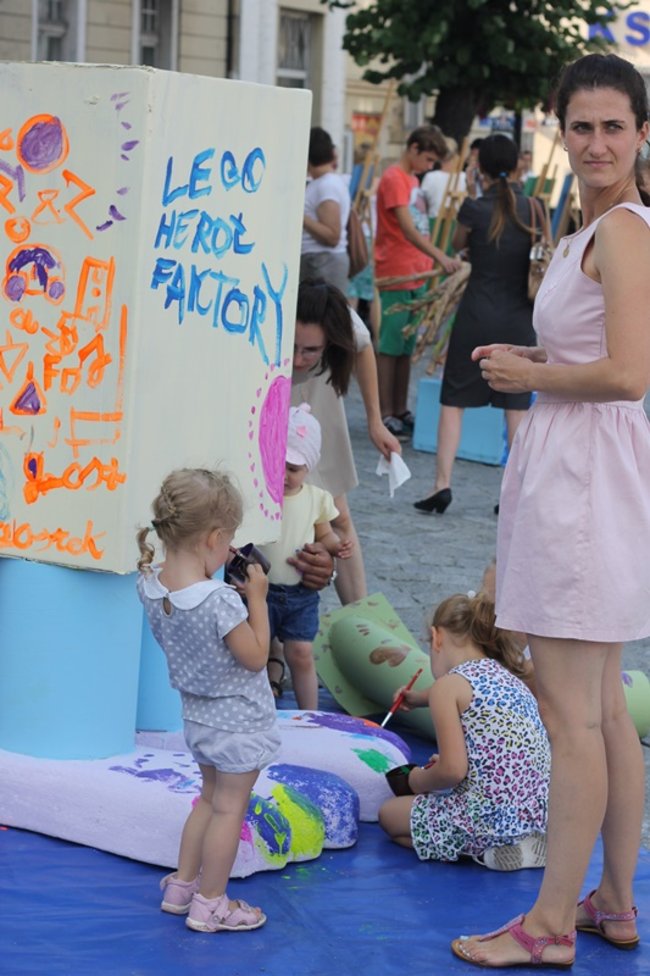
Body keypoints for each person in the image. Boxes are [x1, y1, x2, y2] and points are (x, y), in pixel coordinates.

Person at [452, 52, 650, 968]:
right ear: (560, 132)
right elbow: (595, 356)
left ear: (642, 133)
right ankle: (611, 898)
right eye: (583, 126)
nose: (598, 142)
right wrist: (529, 352)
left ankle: (546, 928)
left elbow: (629, 374)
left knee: (574, 716)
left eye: (615, 125)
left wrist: (534, 374)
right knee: (603, 711)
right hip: (583, 474)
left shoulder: (623, 231)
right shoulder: (594, 228)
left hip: (582, 483)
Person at [136, 468, 280, 934]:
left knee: (208, 800)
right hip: (238, 721)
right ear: (214, 538)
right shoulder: (220, 601)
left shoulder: (151, 584)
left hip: (197, 718)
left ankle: (181, 887)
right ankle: (212, 903)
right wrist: (257, 598)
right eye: (229, 542)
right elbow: (256, 657)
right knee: (228, 809)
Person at [378, 592, 549, 870]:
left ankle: (482, 852)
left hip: (485, 818)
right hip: (534, 815)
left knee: (389, 816)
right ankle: (520, 845)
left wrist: (417, 780)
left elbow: (452, 771)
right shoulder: (509, 680)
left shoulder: (448, 686)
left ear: (436, 638)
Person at [414, 134, 537, 515]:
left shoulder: (473, 207)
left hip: (476, 314)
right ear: (518, 164)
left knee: (453, 400)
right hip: (519, 317)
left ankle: (442, 484)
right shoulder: (534, 208)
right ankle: (513, 492)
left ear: (479, 167)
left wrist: (471, 192)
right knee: (515, 406)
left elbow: (455, 245)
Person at [290, 278, 401, 605]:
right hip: (270, 396)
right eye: (293, 347)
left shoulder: (340, 318)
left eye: (310, 349)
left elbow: (363, 348)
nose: (298, 358)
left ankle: (360, 614)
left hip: (320, 398)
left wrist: (375, 420)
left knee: (338, 515)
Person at [257, 404, 352, 709]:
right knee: (254, 654)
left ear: (309, 467)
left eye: (294, 469)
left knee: (301, 653)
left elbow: (324, 534)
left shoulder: (316, 499)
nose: (285, 475)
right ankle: (257, 708)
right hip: (263, 591)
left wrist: (337, 545)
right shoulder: (261, 494)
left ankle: (310, 715)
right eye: (280, 465)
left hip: (300, 594)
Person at [374, 126, 462, 438]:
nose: (429, 167)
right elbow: (408, 229)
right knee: (391, 344)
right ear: (413, 149)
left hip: (416, 270)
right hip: (398, 270)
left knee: (407, 345)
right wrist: (440, 255)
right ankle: (385, 410)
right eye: (426, 159)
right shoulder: (394, 179)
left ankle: (399, 408)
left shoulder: (411, 180)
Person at [300, 126, 351, 293]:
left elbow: (332, 236)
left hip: (323, 262)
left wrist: (300, 217)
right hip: (321, 261)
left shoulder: (327, 185)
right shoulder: (323, 182)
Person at [419, 136, 468, 227]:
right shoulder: (464, 177)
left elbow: (422, 206)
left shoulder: (430, 177)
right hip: (456, 226)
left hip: (434, 224)